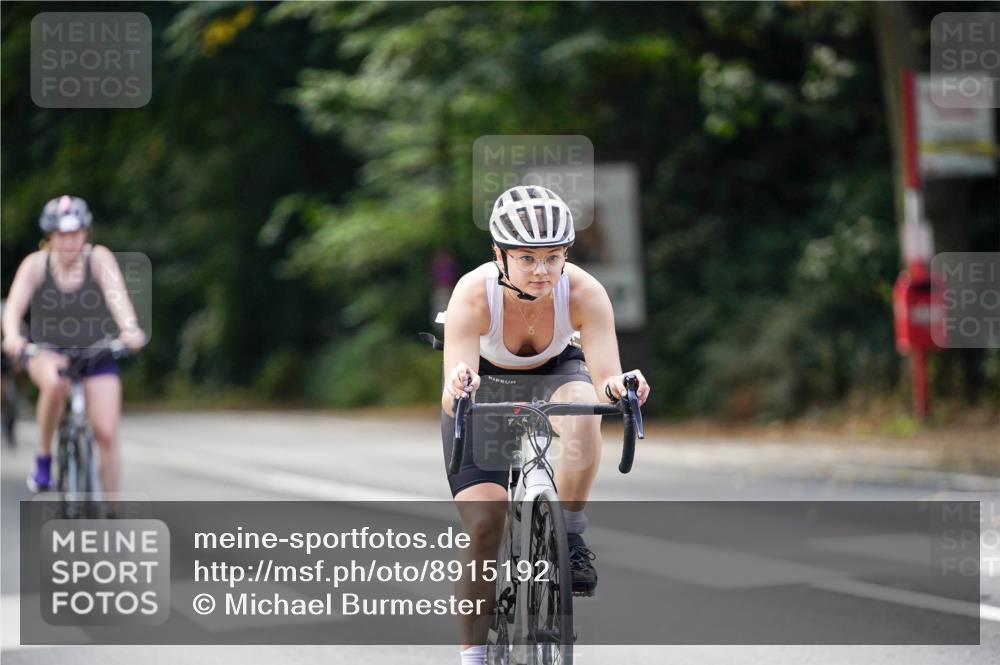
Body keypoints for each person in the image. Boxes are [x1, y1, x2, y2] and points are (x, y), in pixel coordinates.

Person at [440, 185, 650, 664]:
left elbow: (604, 376)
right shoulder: (473, 294)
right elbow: (454, 392)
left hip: (556, 375)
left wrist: (623, 388)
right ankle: (472, 655)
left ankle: (571, 533)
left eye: (553, 257)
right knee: (485, 527)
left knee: (582, 412)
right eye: (527, 258)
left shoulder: (583, 291)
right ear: (500, 255)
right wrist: (459, 385)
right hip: (483, 388)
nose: (542, 270)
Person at [1, 195, 146, 496]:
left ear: (85, 233)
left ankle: (110, 512)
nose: (70, 242)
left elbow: (117, 296)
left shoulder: (99, 259)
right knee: (54, 385)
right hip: (48, 352)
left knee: (106, 434)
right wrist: (13, 336)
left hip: (95, 351)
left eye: (76, 234)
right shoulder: (35, 265)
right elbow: (13, 308)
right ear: (51, 237)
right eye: (62, 235)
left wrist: (130, 329)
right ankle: (43, 458)